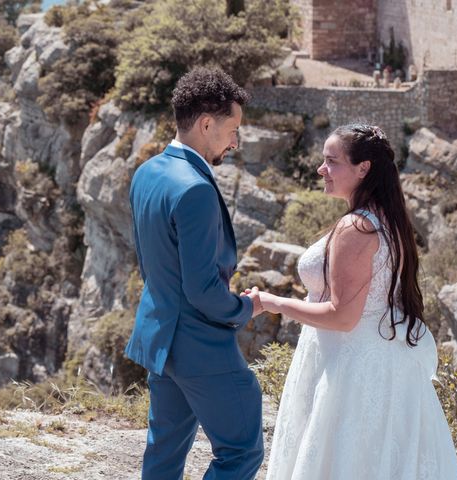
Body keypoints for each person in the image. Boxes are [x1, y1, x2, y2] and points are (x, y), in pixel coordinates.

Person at [256, 124, 457, 479]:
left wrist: (274, 302)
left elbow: (342, 316)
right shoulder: (386, 220)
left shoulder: (357, 228)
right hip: (380, 363)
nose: (322, 169)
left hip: (350, 371)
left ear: (363, 168)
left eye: (331, 161)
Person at [125, 67, 264, 480]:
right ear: (206, 124)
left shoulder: (147, 172)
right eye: (233, 128)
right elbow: (203, 291)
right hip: (200, 345)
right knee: (241, 452)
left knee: (164, 455)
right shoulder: (196, 189)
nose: (236, 140)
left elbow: (152, 261)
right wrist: (244, 306)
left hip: (159, 338)